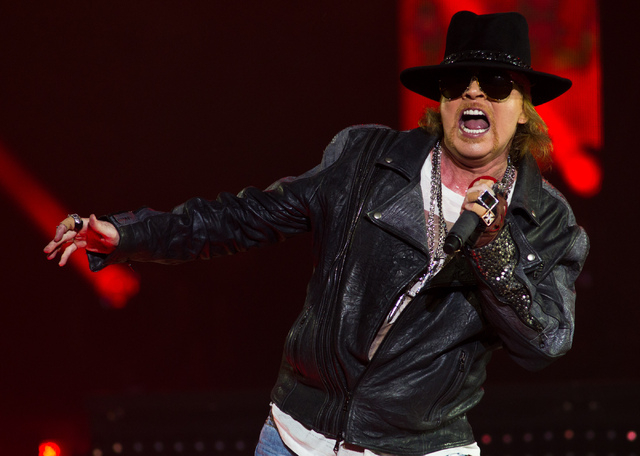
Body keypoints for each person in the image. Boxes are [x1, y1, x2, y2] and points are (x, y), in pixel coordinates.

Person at [44, 11, 588, 456]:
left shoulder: (545, 220)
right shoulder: (366, 162)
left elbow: (545, 341)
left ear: (524, 111)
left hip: (420, 448)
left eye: (496, 85)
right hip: (296, 437)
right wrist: (128, 234)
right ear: (441, 103)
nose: (474, 95)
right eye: (456, 84)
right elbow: (247, 216)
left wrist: (493, 248)